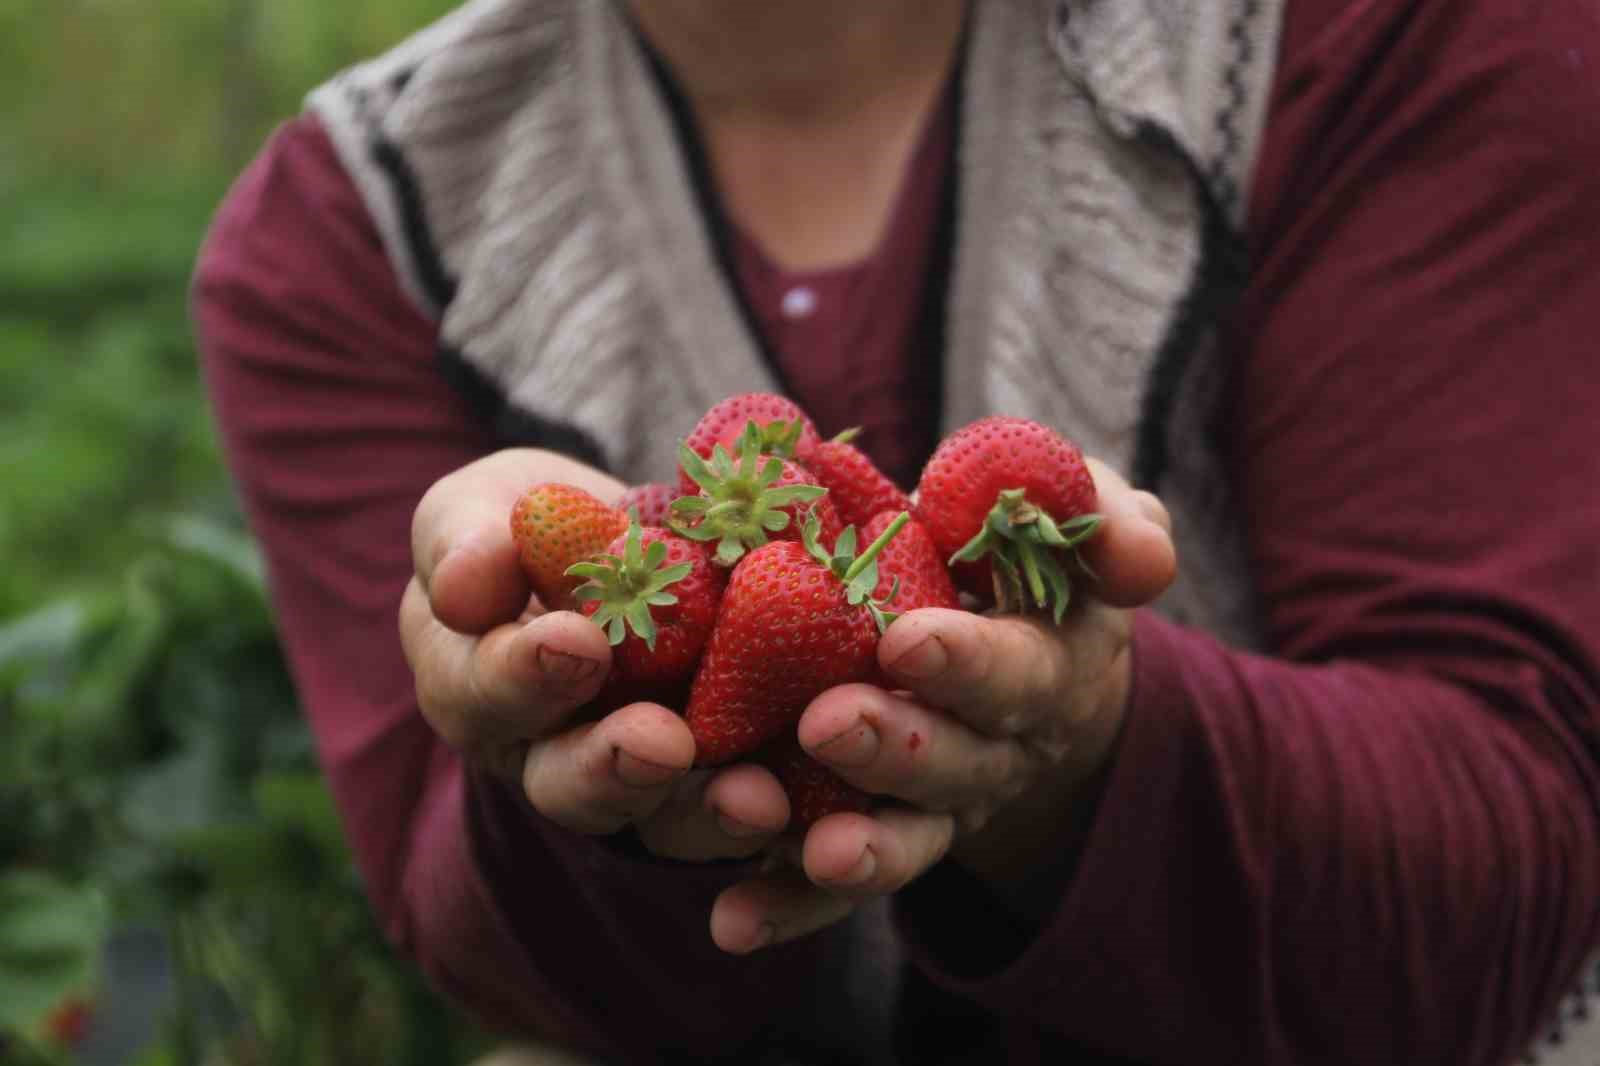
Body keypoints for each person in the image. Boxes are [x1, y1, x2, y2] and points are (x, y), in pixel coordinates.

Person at [192, 0, 1600, 1062]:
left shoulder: (1392, 39)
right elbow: (496, 952)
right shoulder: (346, 229)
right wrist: (584, 725)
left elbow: (1513, 867)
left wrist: (1081, 755)